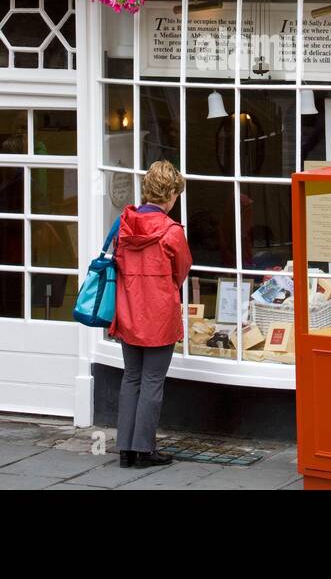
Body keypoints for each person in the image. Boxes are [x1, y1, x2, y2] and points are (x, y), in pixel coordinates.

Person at [109, 160, 193, 469]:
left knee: (131, 377)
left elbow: (117, 262)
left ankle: (125, 450)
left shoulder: (124, 224)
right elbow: (181, 271)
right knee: (153, 380)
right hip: (158, 314)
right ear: (170, 194)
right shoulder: (172, 232)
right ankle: (144, 449)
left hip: (128, 310)